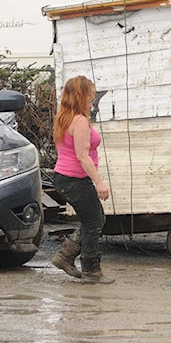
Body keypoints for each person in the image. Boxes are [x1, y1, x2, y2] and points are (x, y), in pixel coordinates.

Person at [50, 75, 114, 284]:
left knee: (93, 220)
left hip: (66, 178)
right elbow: (82, 155)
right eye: (90, 95)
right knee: (94, 222)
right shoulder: (79, 121)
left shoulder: (64, 118)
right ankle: (91, 270)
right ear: (81, 96)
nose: (92, 100)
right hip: (74, 180)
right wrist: (99, 182)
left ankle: (65, 257)